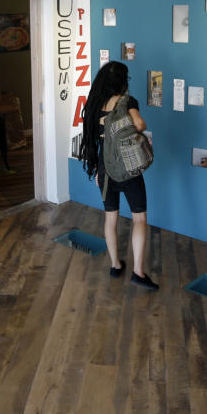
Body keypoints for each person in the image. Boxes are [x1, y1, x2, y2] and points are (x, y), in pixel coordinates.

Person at [78, 61, 157, 290]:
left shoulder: (94, 105)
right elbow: (140, 124)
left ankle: (115, 265)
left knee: (110, 218)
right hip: (127, 169)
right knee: (139, 219)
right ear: (123, 82)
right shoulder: (127, 102)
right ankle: (138, 272)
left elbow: (93, 141)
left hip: (105, 171)